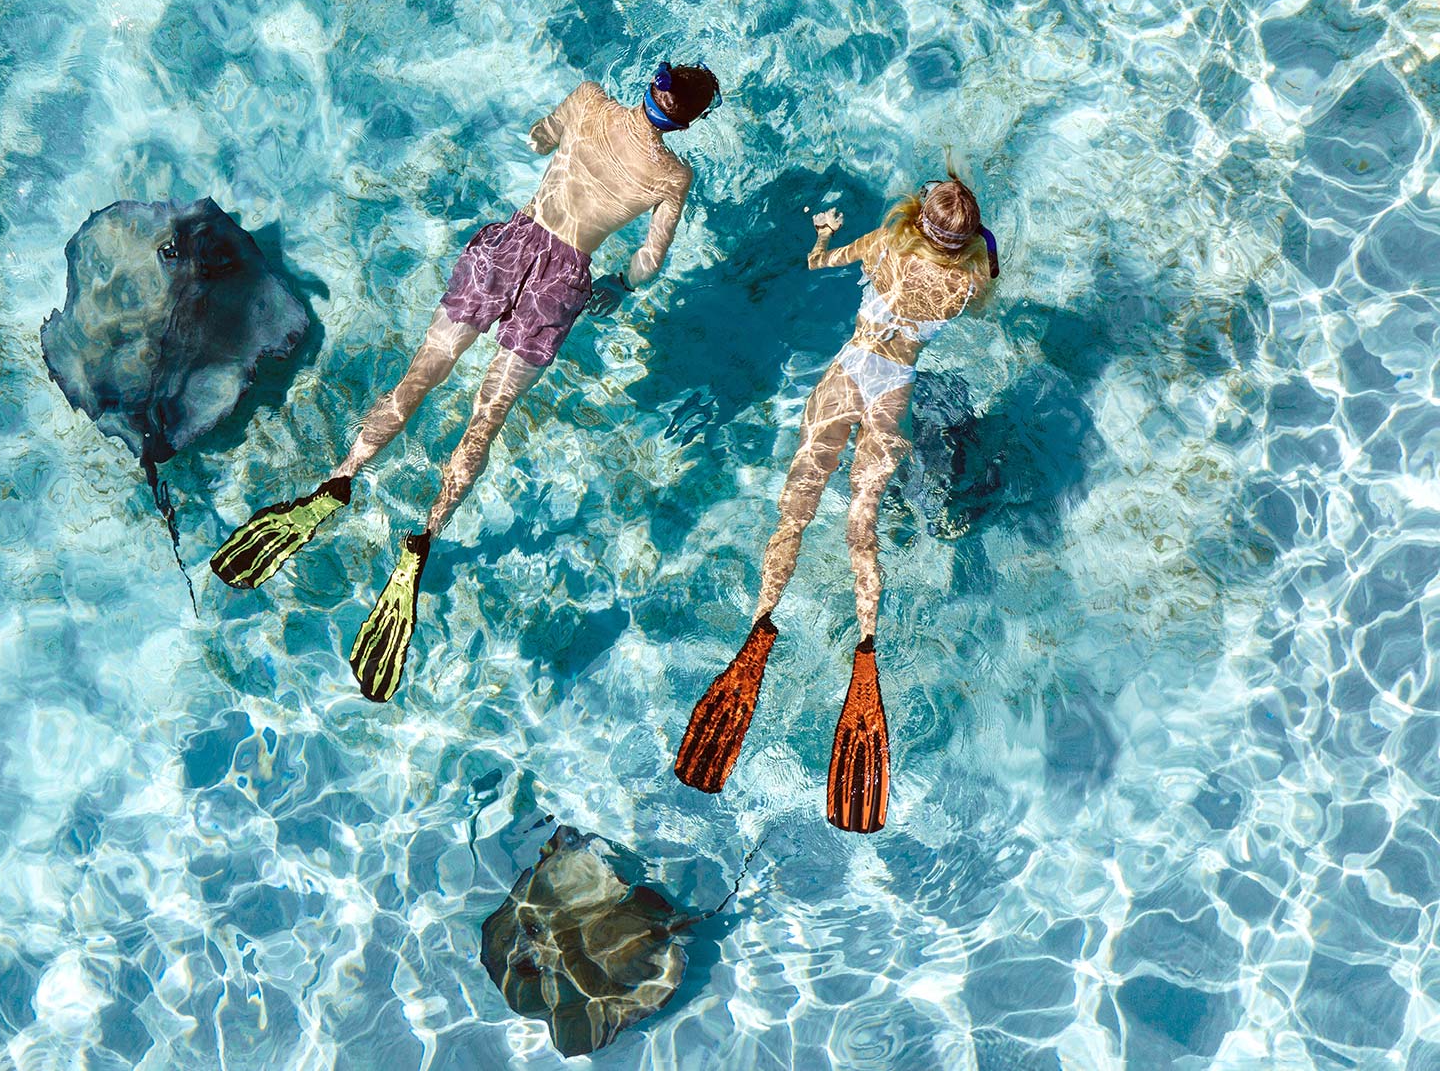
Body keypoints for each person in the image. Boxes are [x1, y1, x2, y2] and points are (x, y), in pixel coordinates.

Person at [211, 62, 723, 702]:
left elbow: (537, 138)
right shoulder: (675, 176)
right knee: (489, 416)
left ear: (653, 85)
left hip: (513, 243)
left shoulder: (591, 100)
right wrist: (621, 285)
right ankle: (422, 539)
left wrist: (558, 137)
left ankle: (340, 478)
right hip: (564, 283)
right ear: (691, 119)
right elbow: (648, 261)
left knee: (418, 378)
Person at [672, 177, 999, 833]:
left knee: (796, 508)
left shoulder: (883, 245)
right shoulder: (963, 284)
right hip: (893, 390)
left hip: (846, 373)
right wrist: (978, 250)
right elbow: (985, 301)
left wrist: (823, 232)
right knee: (861, 523)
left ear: (919, 220)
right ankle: (868, 644)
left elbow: (819, 261)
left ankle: (762, 622)